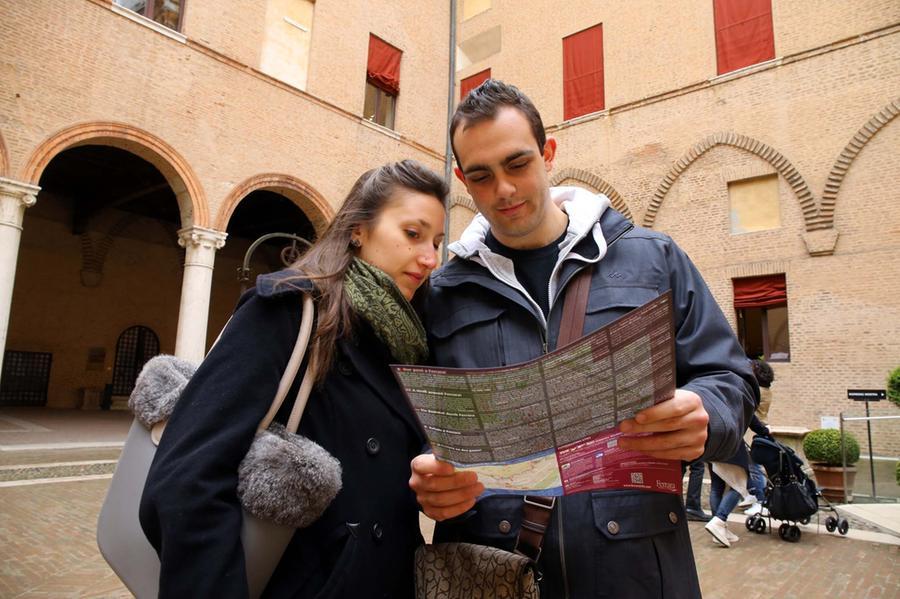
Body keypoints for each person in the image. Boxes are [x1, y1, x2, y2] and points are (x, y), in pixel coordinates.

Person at [409, 80, 758, 597]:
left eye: (518, 163)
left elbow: (729, 375)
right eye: (481, 176)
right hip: (494, 566)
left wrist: (709, 412)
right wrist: (423, 474)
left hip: (637, 567)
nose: (503, 189)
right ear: (462, 178)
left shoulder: (653, 257)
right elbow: (412, 420)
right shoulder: (439, 291)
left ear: (549, 153)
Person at [139, 160, 447, 598]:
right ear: (358, 229)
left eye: (436, 241)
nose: (430, 258)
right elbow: (187, 477)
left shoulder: (409, 338)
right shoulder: (289, 311)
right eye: (413, 235)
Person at [704, 413, 770, 547]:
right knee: (740, 486)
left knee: (717, 487)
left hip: (711, 444)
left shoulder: (713, 393)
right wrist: (766, 431)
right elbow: (752, 419)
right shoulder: (737, 394)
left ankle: (719, 529)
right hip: (729, 447)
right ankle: (719, 521)